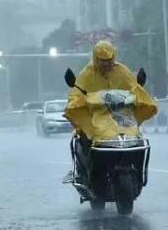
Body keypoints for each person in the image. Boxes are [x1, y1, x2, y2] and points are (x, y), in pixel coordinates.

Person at [63, 41, 157, 183]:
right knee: (82, 137)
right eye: (102, 61)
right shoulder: (86, 74)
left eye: (108, 60)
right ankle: (83, 173)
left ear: (113, 58)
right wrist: (79, 102)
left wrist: (140, 99)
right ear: (95, 59)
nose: (106, 64)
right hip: (95, 116)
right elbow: (75, 94)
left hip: (121, 115)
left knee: (137, 139)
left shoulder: (122, 71)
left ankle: (136, 173)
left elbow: (135, 88)